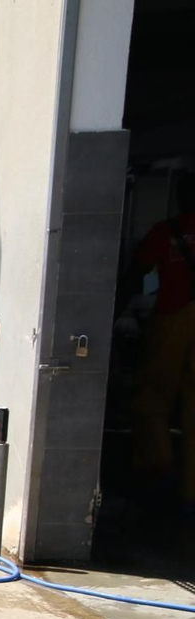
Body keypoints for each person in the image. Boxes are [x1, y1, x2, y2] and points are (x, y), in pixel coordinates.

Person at [128, 174, 195, 523]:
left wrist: (118, 310)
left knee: (151, 400)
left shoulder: (165, 231)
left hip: (171, 317)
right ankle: (190, 497)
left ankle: (159, 475)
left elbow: (136, 270)